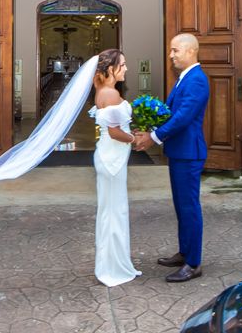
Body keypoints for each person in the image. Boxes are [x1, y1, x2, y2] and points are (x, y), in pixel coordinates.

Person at [134, 33, 209, 283]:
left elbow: (183, 118)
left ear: (190, 51)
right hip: (179, 151)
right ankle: (184, 252)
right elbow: (169, 114)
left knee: (189, 207)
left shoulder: (196, 80)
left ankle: (193, 263)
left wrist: (154, 138)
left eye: (175, 50)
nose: (171, 55)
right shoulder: (183, 79)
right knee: (181, 206)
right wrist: (148, 127)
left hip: (189, 153)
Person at [88, 49, 142, 287]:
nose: (127, 69)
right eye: (123, 64)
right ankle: (113, 269)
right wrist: (135, 140)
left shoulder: (103, 91)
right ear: (111, 69)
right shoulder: (110, 94)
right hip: (112, 161)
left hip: (109, 157)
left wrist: (131, 134)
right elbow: (114, 131)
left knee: (111, 212)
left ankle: (112, 264)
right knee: (114, 213)